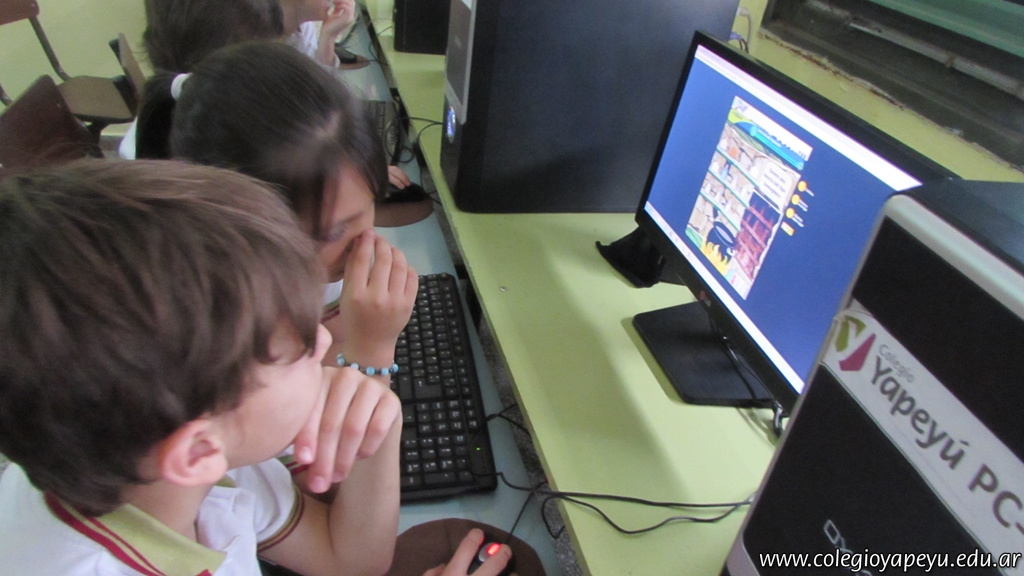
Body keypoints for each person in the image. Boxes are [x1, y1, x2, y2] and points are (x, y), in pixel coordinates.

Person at [0, 159, 515, 576]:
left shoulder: (175, 454)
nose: (323, 340)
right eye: (298, 348)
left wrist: (380, 408)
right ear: (196, 452)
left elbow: (349, 561)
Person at [152, 40, 415, 384]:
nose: (368, 240)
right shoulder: (229, 344)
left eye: (371, 204)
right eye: (333, 231)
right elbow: (347, 420)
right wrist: (372, 349)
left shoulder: (284, 272)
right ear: (241, 226)